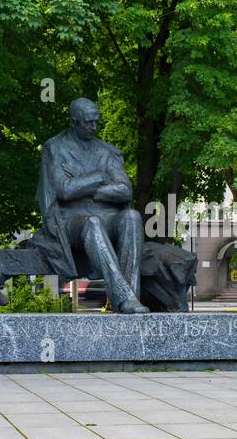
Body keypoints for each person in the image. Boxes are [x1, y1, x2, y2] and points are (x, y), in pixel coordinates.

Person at [29, 98, 148, 313]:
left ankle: (131, 297)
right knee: (92, 223)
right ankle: (124, 297)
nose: (94, 127)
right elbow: (64, 190)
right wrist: (100, 177)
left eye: (96, 122)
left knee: (132, 217)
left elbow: (125, 190)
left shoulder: (106, 152)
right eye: (88, 122)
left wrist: (91, 190)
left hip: (108, 217)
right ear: (74, 122)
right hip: (71, 222)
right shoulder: (55, 148)